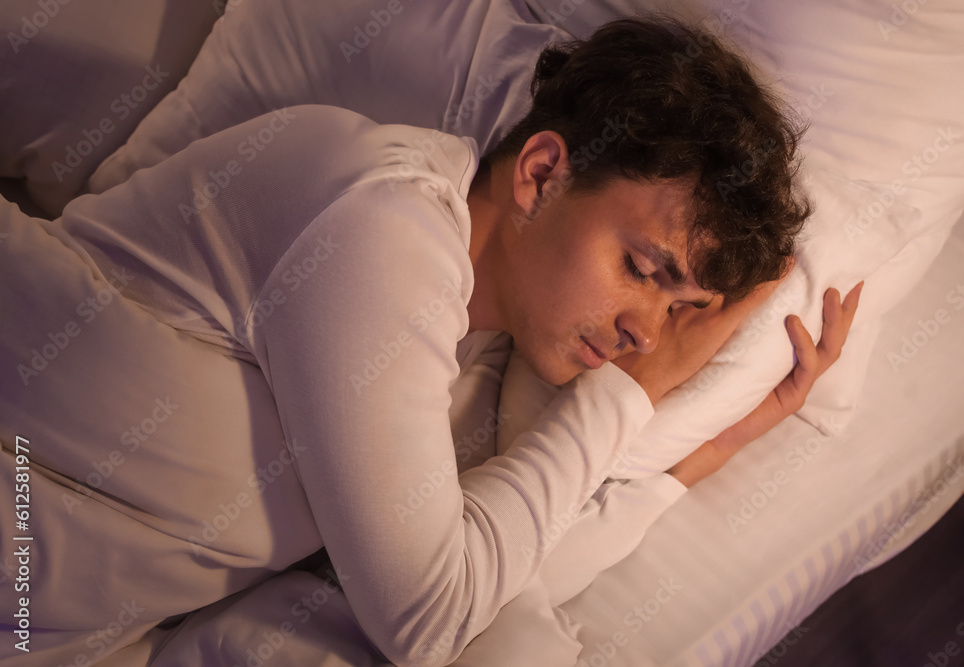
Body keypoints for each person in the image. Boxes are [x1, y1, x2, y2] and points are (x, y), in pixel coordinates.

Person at [0, 17, 860, 666]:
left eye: (685, 315)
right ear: (541, 173)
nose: (647, 332)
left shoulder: (474, 366)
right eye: (642, 267)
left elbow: (507, 571)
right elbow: (429, 616)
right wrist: (629, 397)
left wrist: (709, 446)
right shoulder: (384, 220)